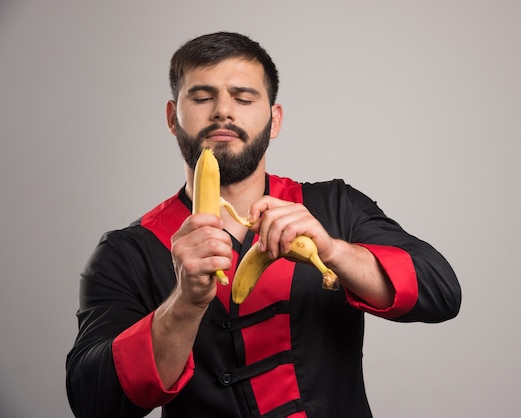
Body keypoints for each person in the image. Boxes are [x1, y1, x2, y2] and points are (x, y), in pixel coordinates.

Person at [66, 31, 461, 418]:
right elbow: (94, 402)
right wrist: (184, 303)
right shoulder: (126, 252)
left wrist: (333, 251)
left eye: (244, 98)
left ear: (274, 120)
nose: (223, 111)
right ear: (173, 118)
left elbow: (441, 291)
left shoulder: (335, 206)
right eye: (202, 97)